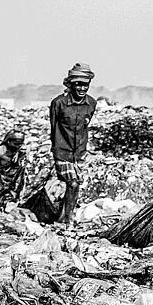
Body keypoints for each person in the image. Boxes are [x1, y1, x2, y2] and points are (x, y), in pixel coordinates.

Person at [49, 63, 96, 224]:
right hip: (63, 151)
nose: (82, 88)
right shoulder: (59, 103)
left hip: (80, 152)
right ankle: (68, 219)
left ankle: (64, 214)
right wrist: (56, 150)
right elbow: (53, 126)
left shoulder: (91, 103)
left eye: (85, 84)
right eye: (78, 84)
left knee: (76, 185)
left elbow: (85, 126)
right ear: (71, 83)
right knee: (73, 183)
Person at [0, 130, 27, 209]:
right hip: (2, 176)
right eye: (15, 144)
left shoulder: (22, 150)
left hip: (16, 176)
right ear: (8, 141)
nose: (18, 146)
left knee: (13, 194)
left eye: (20, 144)